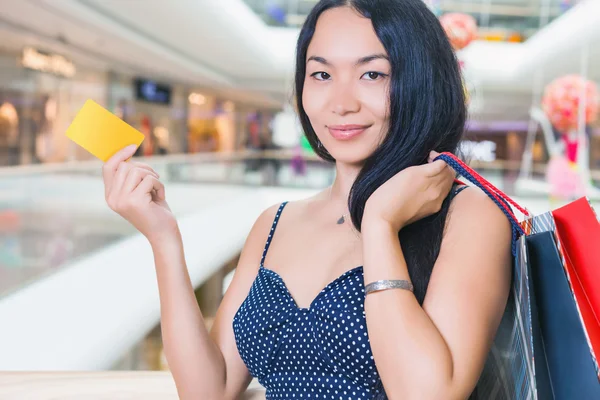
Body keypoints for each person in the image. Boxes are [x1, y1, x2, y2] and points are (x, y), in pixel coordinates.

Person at [101, 0, 512, 398]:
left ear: (421, 81)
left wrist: (380, 225)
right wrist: (164, 240)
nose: (341, 103)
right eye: (321, 75)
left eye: (372, 75)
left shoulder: (469, 215)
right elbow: (208, 390)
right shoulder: (275, 222)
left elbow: (427, 395)